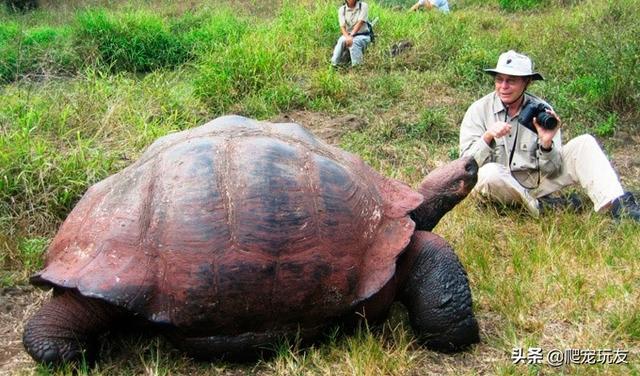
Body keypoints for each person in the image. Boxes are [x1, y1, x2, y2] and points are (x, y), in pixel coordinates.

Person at [459, 50, 640, 222]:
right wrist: (488, 136)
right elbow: (464, 167)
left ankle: (619, 206)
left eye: (511, 81)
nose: (503, 87)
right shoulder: (479, 110)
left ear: (527, 82)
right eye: (499, 80)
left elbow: (552, 168)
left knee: (585, 143)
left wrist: (546, 145)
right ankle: (540, 207)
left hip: (536, 181)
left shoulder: (541, 111)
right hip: (499, 184)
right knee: (489, 174)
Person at [331, 0, 372, 67]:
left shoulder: (363, 6)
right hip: (348, 35)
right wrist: (347, 37)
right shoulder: (342, 9)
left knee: (354, 41)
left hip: (363, 35)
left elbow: (360, 23)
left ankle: (357, 66)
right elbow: (342, 27)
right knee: (341, 40)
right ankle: (334, 64)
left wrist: (351, 36)